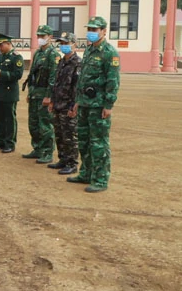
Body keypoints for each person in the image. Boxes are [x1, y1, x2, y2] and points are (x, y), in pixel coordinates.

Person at [68, 16, 120, 193]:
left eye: (94, 30)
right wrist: (77, 101)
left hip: (98, 106)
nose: (91, 32)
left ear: (104, 31)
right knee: (84, 141)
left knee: (98, 143)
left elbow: (113, 81)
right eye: (89, 29)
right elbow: (82, 78)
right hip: (84, 103)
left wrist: (108, 104)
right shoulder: (89, 50)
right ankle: (86, 173)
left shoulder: (110, 53)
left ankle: (100, 179)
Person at [22, 25, 60, 164]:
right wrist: (30, 92)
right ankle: (37, 149)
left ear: (50, 37)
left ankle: (47, 152)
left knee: (45, 124)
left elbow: (53, 77)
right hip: (35, 94)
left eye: (42, 36)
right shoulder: (38, 53)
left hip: (44, 94)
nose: (40, 38)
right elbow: (32, 74)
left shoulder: (53, 54)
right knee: (33, 124)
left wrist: (49, 96)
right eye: (38, 36)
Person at [47, 32, 81, 175]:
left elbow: (77, 87)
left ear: (74, 45)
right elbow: (56, 84)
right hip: (58, 104)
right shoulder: (61, 62)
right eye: (61, 44)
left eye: (66, 43)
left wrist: (74, 106)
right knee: (59, 134)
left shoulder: (78, 63)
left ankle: (72, 163)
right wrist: (52, 101)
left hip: (68, 105)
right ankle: (63, 159)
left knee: (70, 135)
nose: (63, 46)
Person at [0, 32, 23, 153]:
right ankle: (1, 140)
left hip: (10, 92)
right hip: (0, 91)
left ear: (8, 44)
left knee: (10, 119)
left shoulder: (16, 57)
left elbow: (17, 74)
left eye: (1, 45)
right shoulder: (0, 56)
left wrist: (0, 73)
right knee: (0, 118)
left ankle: (10, 143)